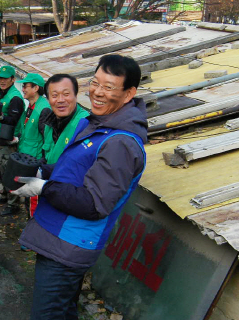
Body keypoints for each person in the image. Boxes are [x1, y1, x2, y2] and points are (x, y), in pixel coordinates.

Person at [14, 55, 147, 320]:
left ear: (129, 93)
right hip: (57, 236)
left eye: (109, 87)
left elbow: (94, 203)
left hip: (69, 244)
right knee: (61, 311)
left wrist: (44, 187)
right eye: (95, 82)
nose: (97, 92)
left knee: (47, 314)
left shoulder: (120, 142)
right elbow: (74, 173)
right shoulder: (95, 124)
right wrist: (42, 172)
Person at [14, 73, 51, 219]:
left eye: (25, 86)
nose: (22, 89)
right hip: (27, 156)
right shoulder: (30, 106)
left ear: (36, 88)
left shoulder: (44, 109)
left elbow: (47, 140)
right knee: (28, 196)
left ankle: (34, 227)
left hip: (35, 161)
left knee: (34, 198)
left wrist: (42, 162)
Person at [0, 65, 25, 216]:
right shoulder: (2, 93)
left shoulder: (15, 97)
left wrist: (1, 117)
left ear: (13, 79)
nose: (2, 81)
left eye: (5, 78)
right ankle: (5, 195)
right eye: (0, 78)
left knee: (9, 172)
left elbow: (13, 119)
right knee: (1, 172)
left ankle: (14, 203)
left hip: (7, 141)